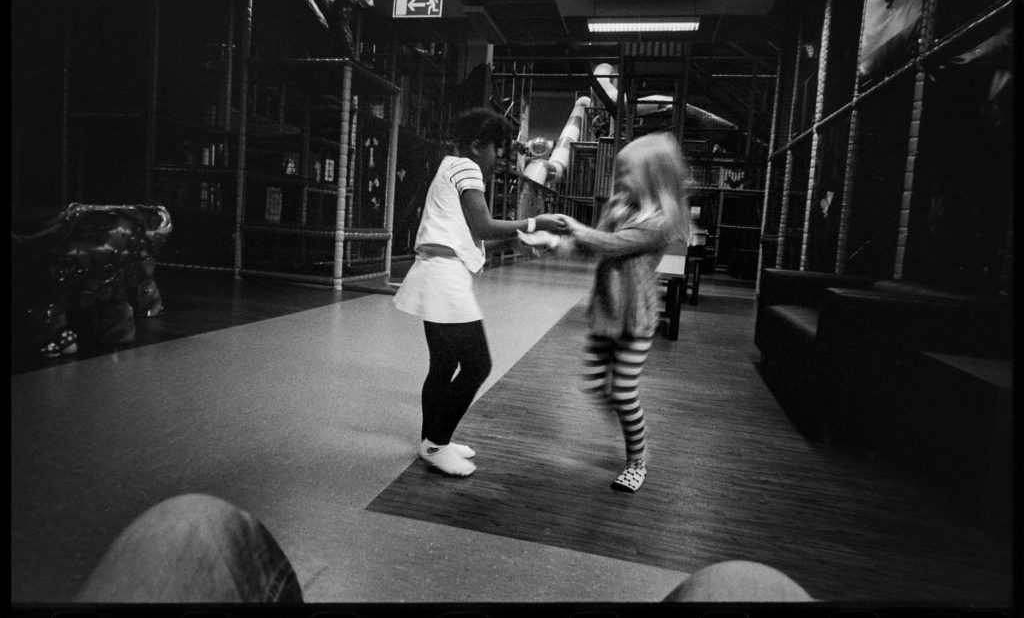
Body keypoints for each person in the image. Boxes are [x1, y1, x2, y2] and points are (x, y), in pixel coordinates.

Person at [73, 494, 813, 602]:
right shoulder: (459, 172)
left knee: (192, 527)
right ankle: (436, 433)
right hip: (446, 282)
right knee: (746, 585)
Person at [393, 107, 570, 477]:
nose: (499, 158)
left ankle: (432, 440)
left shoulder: (448, 167)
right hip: (444, 280)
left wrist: (524, 239)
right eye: (497, 148)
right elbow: (484, 225)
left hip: (434, 273)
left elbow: (470, 236)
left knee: (443, 366)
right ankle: (437, 443)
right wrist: (537, 221)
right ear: (477, 145)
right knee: (477, 365)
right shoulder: (466, 167)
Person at [520, 132, 692, 493]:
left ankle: (637, 461)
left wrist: (575, 227)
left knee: (624, 392)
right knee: (599, 386)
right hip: (605, 310)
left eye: (628, 172)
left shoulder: (660, 221)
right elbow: (589, 250)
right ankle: (628, 423)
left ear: (652, 176)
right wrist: (552, 243)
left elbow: (612, 245)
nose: (620, 179)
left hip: (635, 316)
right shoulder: (616, 206)